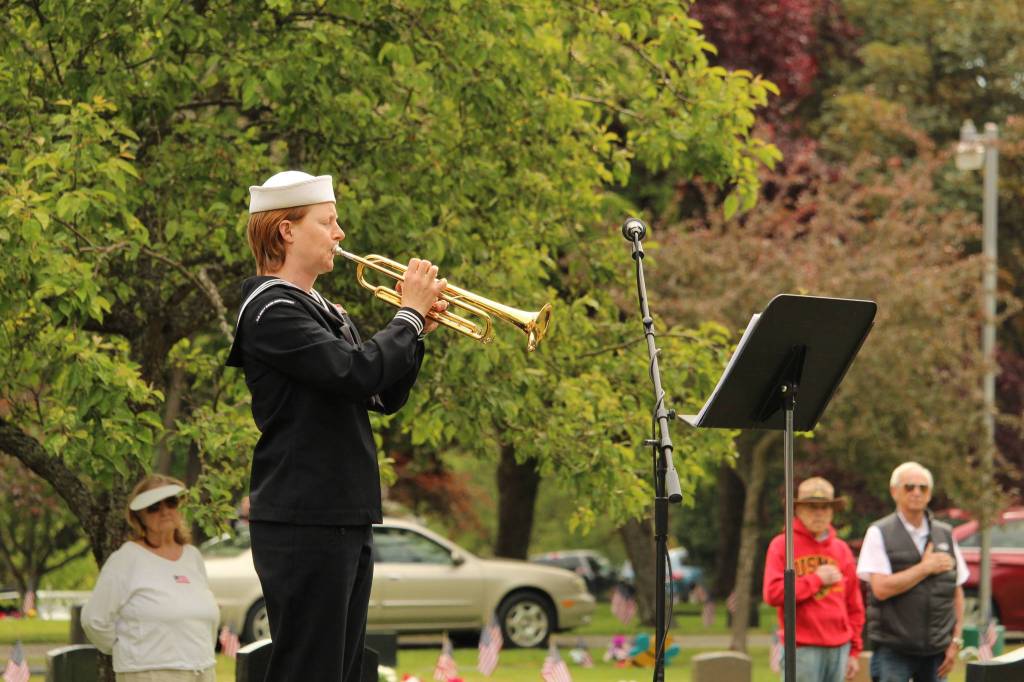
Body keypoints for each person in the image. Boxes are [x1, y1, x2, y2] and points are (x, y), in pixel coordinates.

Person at [225, 171, 447, 681]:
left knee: (342, 670)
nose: (340, 233)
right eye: (327, 222)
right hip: (305, 515)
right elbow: (355, 371)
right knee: (311, 669)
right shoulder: (271, 308)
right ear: (286, 231)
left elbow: (380, 393)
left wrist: (415, 334)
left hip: (340, 509)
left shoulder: (324, 309)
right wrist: (407, 318)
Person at [81, 474, 218, 681]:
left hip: (203, 671)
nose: (164, 511)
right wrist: (130, 650)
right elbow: (94, 620)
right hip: (149, 674)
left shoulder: (193, 557)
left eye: (171, 502)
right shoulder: (126, 558)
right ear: (139, 517)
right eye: (153, 507)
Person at [856, 461, 968, 682]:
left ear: (929, 494)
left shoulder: (945, 533)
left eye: (923, 488)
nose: (916, 492)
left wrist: (955, 641)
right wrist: (925, 568)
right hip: (893, 651)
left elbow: (957, 591)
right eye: (909, 487)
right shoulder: (878, 532)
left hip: (937, 651)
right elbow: (881, 589)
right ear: (894, 491)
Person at [763, 476, 865, 682]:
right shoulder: (782, 545)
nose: (819, 513)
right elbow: (773, 594)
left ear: (832, 511)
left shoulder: (841, 550)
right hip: (801, 648)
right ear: (797, 510)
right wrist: (816, 580)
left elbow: (854, 606)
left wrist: (854, 651)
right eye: (811, 507)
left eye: (825, 507)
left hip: (839, 649)